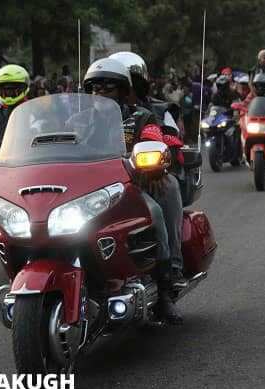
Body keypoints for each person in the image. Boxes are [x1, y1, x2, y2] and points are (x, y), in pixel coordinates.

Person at [83, 57, 185, 324]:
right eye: (95, 88)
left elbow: (154, 138)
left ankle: (165, 286)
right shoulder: (75, 121)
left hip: (129, 187)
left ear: (123, 91)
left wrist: (150, 164)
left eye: (108, 88)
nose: (100, 94)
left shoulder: (141, 117)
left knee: (155, 211)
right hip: (84, 192)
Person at [0, 64, 31, 155]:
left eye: (13, 89)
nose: (9, 93)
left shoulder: (34, 110)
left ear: (24, 87)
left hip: (27, 155)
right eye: (5, 89)